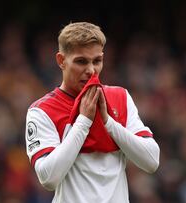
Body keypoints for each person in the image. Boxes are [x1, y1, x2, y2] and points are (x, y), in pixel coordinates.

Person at [25, 21, 160, 203]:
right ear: (61, 61)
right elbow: (48, 178)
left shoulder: (120, 97)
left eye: (97, 61)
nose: (91, 70)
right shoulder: (42, 111)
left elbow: (152, 160)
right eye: (81, 61)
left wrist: (109, 123)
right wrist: (83, 122)